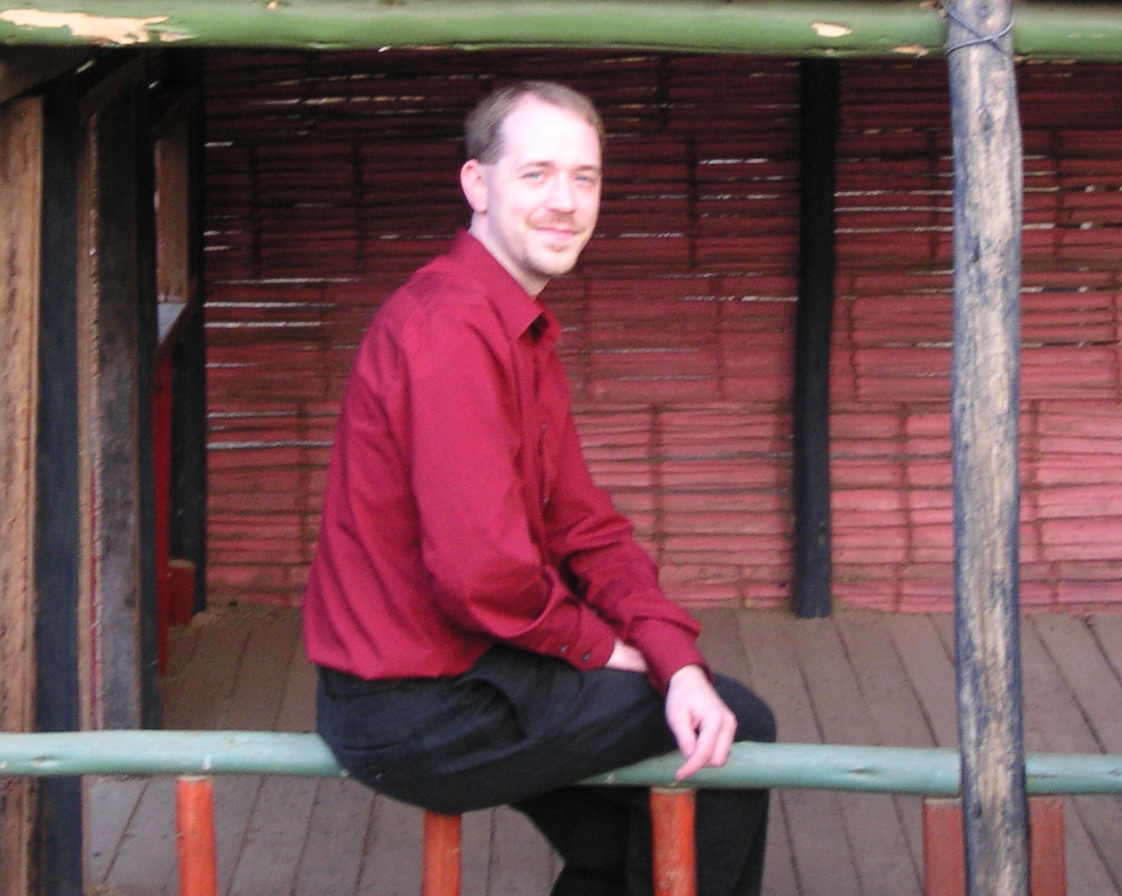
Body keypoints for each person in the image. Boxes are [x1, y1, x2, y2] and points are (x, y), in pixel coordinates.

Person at [305, 80, 776, 896]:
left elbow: (585, 526)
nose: (565, 201)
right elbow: (481, 571)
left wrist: (673, 656)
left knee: (636, 825)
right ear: (477, 186)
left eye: (585, 177)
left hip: (474, 674)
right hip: (416, 707)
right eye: (536, 175)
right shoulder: (450, 330)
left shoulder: (515, 328)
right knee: (745, 736)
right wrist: (604, 651)